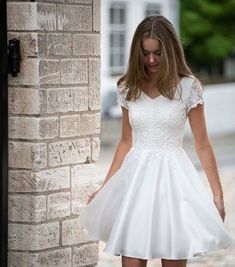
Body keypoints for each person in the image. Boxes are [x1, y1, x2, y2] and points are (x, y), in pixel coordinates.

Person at [78, 15, 233, 267]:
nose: (151, 60)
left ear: (170, 51)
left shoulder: (188, 88)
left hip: (173, 185)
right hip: (135, 183)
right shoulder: (127, 87)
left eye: (158, 53)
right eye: (145, 53)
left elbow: (202, 144)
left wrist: (217, 195)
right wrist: (105, 188)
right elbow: (125, 142)